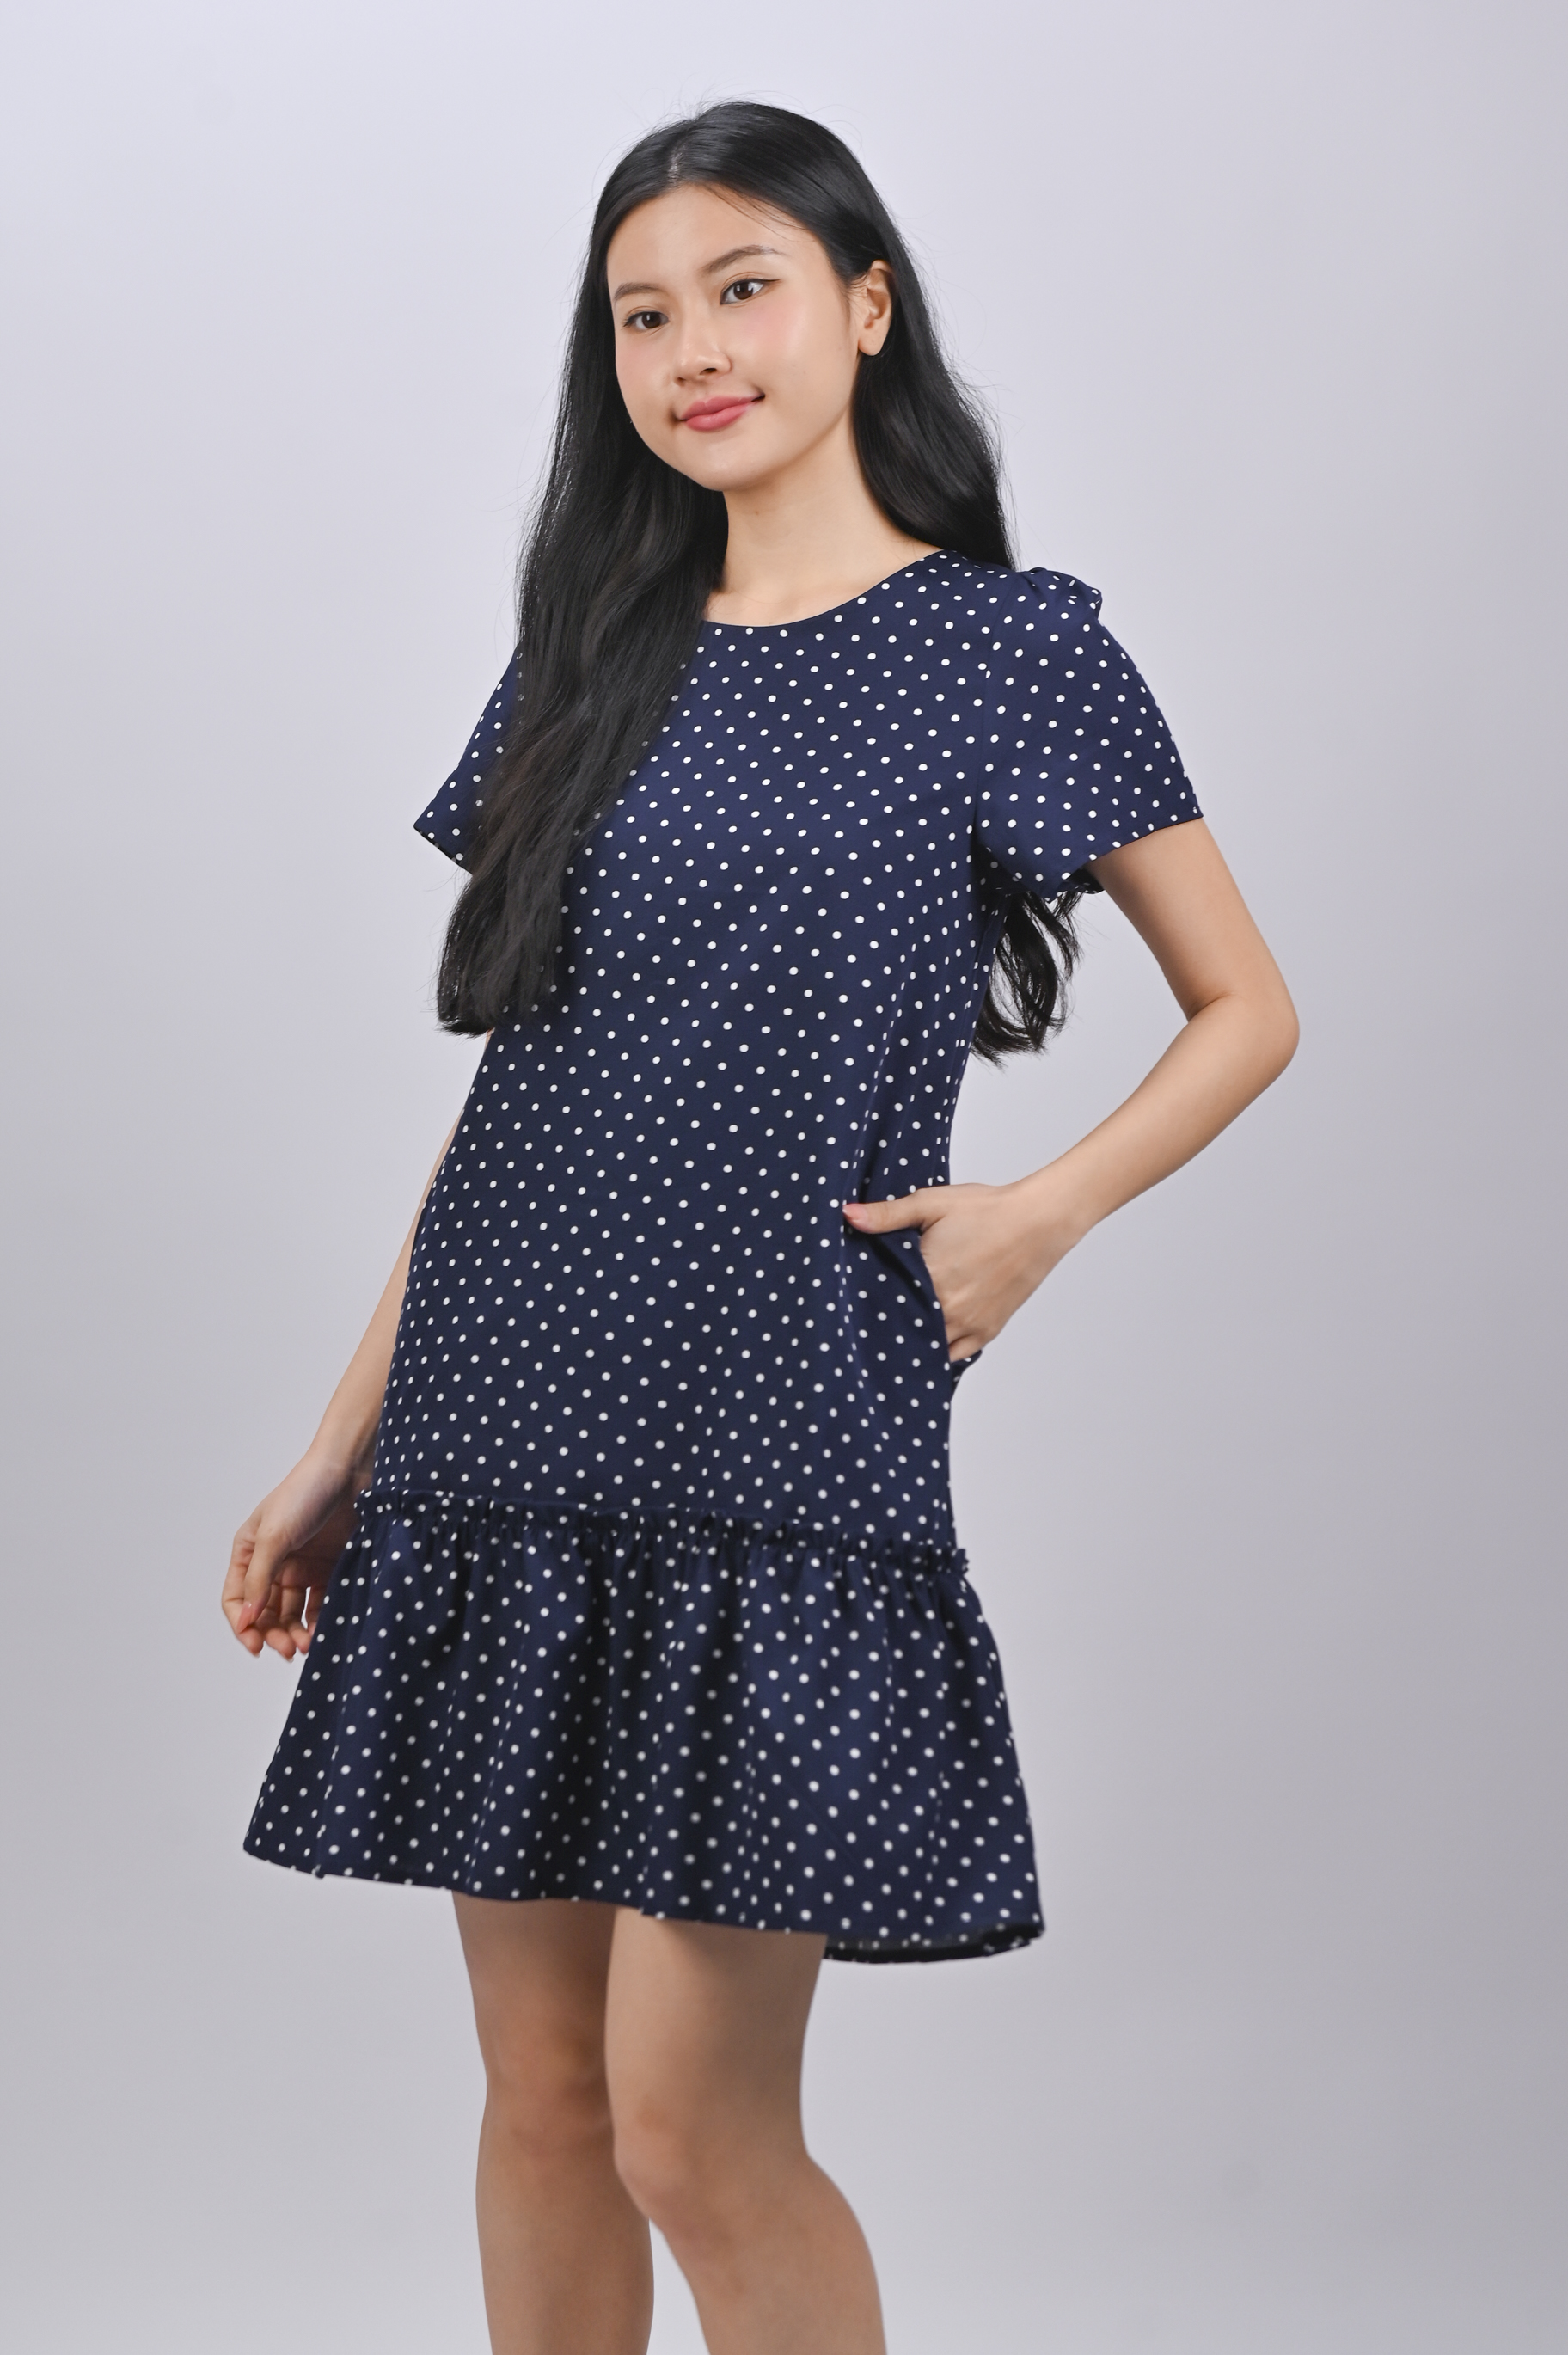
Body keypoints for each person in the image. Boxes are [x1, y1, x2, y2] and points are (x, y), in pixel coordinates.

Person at [223, 99, 1297, 2355]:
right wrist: (343, 1442)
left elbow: (1250, 1008)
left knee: (691, 2131)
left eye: (743, 290)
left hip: (780, 1430)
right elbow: (524, 1097)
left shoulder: (1010, 650)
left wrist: (1036, 1218)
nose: (693, 351)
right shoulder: (587, 655)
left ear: (864, 306)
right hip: (508, 1413)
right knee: (540, 2099)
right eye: (643, 315)